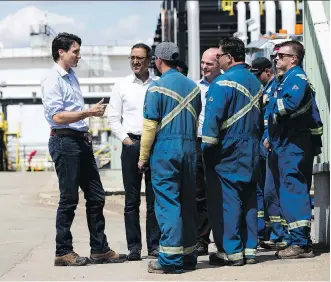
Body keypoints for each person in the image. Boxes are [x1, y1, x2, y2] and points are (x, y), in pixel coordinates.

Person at [41, 32, 127, 266]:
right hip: (64, 142)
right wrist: (88, 113)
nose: (79, 55)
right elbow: (57, 116)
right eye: (75, 51)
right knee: (69, 198)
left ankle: (99, 249)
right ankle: (63, 251)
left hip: (80, 141)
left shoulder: (71, 77)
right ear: (61, 52)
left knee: (96, 196)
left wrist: (86, 121)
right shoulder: (53, 80)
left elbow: (71, 113)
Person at [138, 41, 201, 274]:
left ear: (158, 61)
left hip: (166, 149)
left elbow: (149, 127)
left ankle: (170, 260)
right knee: (187, 203)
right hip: (190, 148)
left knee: (168, 204)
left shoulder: (156, 88)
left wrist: (143, 157)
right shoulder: (194, 87)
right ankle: (189, 255)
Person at [202, 37, 263, 266]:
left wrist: (206, 149)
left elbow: (212, 122)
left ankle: (231, 252)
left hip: (228, 150)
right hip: (251, 148)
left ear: (228, 57)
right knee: (249, 199)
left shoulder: (222, 83)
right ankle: (250, 250)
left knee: (229, 201)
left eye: (219, 56)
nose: (217, 60)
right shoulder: (256, 83)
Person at [263, 40, 323, 259]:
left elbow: (289, 105)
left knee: (294, 190)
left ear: (293, 59)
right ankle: (295, 238)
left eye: (280, 56)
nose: (276, 58)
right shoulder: (284, 79)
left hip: (294, 143)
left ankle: (300, 244)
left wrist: (269, 106)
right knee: (285, 192)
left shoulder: (297, 78)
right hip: (285, 142)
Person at [107, 43, 161, 261]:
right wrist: (126, 140)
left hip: (155, 145)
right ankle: (134, 248)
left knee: (154, 199)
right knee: (131, 201)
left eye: (139, 58)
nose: (135, 61)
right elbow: (112, 117)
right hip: (131, 145)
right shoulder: (121, 85)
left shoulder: (157, 84)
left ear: (149, 60)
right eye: (132, 58)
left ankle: (155, 245)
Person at [250, 57, 288, 249]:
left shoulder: (277, 86)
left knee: (272, 192)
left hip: (271, 144)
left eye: (258, 74)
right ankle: (268, 232)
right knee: (263, 192)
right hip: (261, 144)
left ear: (267, 70)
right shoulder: (264, 88)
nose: (257, 78)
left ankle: (280, 233)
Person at [195, 47, 221, 256]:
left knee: (222, 192)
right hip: (199, 142)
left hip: (222, 144)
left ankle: (224, 240)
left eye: (209, 64)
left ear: (219, 63)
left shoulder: (225, 86)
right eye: (202, 63)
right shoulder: (196, 88)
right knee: (199, 194)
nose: (204, 67)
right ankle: (201, 240)